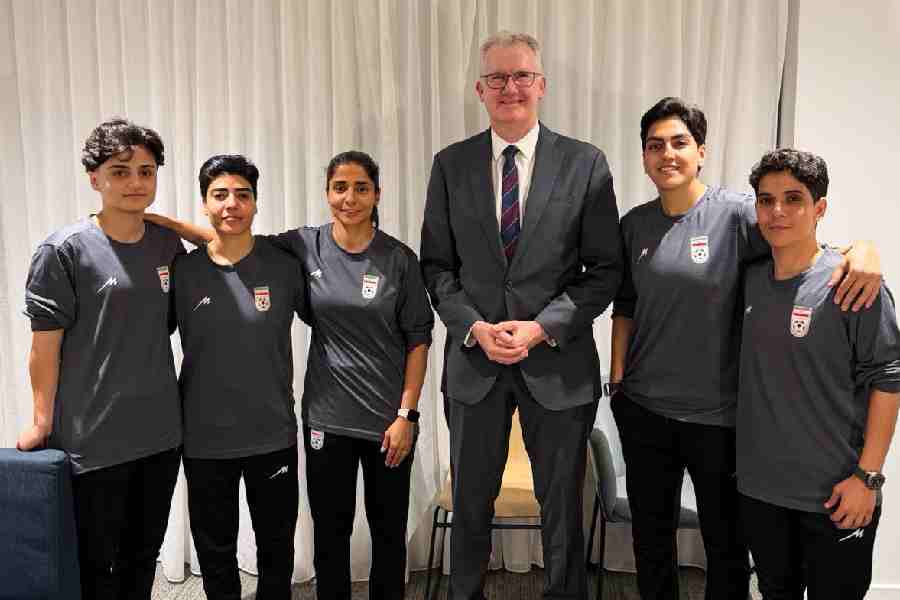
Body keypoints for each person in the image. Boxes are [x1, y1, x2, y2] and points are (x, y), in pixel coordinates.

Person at [609, 97, 883, 600]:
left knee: (726, 547)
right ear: (644, 156)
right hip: (646, 411)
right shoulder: (634, 224)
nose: (666, 154)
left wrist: (863, 251)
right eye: (654, 145)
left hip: (722, 419)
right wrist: (618, 379)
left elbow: (802, 248)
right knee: (651, 540)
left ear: (700, 152)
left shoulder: (739, 213)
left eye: (679, 142)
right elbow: (625, 304)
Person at [146, 150, 433, 600]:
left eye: (361, 187)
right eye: (340, 187)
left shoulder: (386, 258)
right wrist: (163, 224)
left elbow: (419, 339)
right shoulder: (289, 250)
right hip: (301, 423)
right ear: (327, 194)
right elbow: (230, 240)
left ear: (378, 194)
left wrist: (407, 413)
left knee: (377, 535)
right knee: (318, 538)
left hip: (363, 425)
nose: (350, 197)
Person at [419, 31, 622, 599]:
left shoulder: (586, 164)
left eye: (522, 77)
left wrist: (541, 327)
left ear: (542, 85)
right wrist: (475, 327)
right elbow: (436, 267)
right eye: (498, 79)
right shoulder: (450, 165)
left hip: (557, 367)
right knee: (470, 508)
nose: (511, 88)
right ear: (480, 90)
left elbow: (604, 271)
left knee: (562, 510)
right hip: (474, 364)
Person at [17, 118, 184, 600]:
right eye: (121, 171)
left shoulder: (165, 246)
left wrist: (170, 222)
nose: (136, 182)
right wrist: (41, 419)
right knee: (96, 564)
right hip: (94, 440)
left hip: (159, 433)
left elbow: (219, 251)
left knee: (141, 556)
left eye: (147, 171)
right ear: (95, 179)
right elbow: (43, 347)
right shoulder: (63, 250)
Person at [738, 148, 900, 600]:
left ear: (819, 208)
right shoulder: (748, 279)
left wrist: (868, 478)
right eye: (766, 200)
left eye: (793, 199)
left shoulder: (853, 284)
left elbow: (889, 378)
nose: (778, 211)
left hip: (836, 496)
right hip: (761, 492)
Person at [174, 155, 305, 600]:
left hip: (272, 435)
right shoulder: (183, 271)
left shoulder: (285, 265)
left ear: (256, 203)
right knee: (215, 552)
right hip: (204, 439)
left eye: (243, 195)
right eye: (220, 195)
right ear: (204, 203)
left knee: (275, 551)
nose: (232, 204)